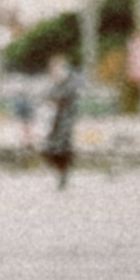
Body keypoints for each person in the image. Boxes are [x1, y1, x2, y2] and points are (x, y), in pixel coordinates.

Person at [44, 53, 80, 191]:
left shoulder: (69, 82)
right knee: (50, 148)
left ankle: (63, 173)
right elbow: (47, 98)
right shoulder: (53, 83)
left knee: (62, 148)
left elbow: (62, 97)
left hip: (65, 121)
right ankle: (62, 171)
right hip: (52, 122)